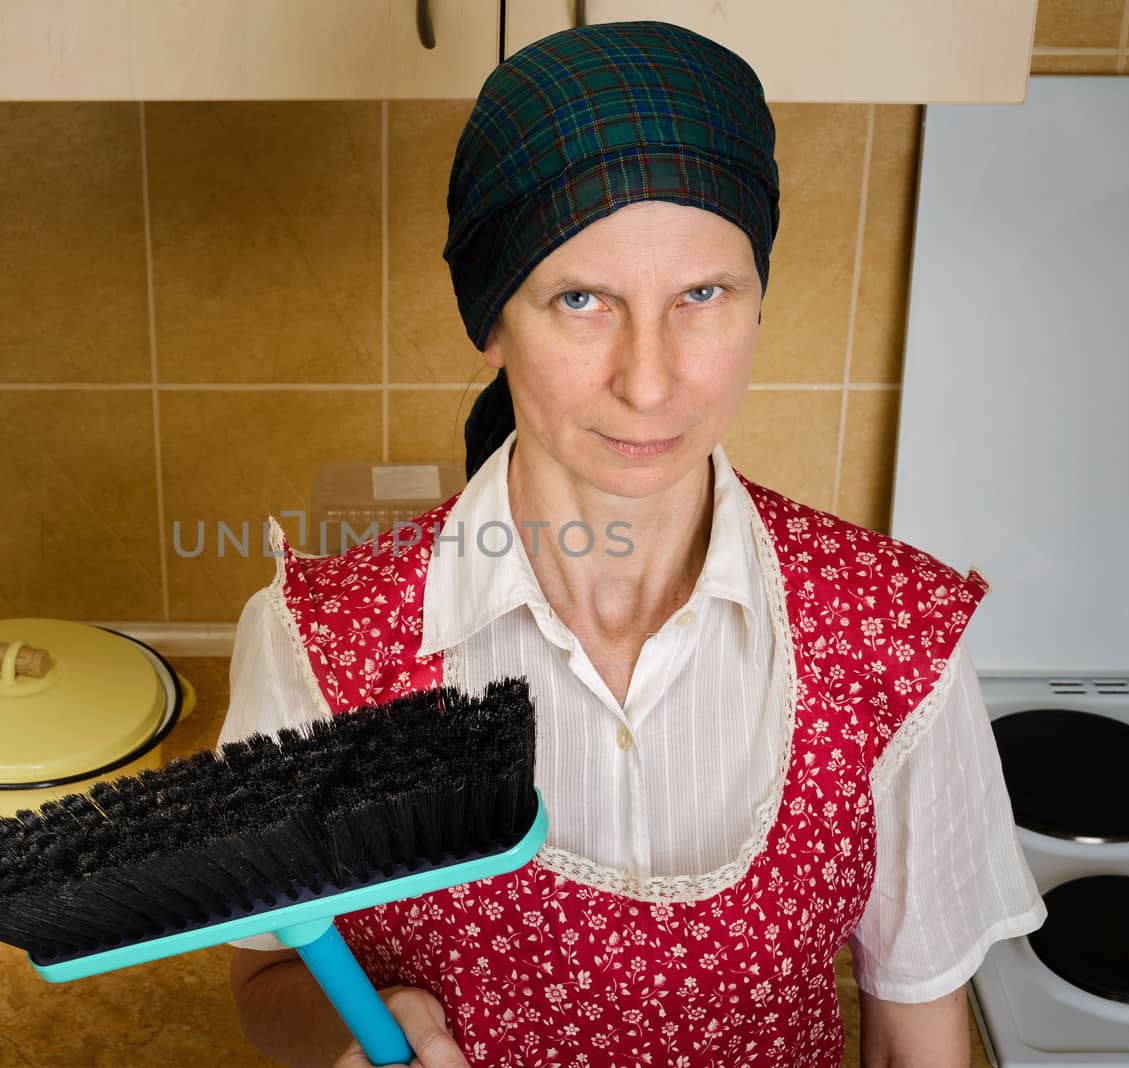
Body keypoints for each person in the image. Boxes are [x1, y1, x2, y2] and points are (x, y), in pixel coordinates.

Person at [219, 20, 1044, 1068]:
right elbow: (267, 973)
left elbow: (914, 1039)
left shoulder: (892, 643)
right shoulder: (320, 646)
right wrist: (353, 1040)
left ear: (755, 302)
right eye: (581, 300)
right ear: (492, 321)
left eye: (703, 295)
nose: (648, 382)